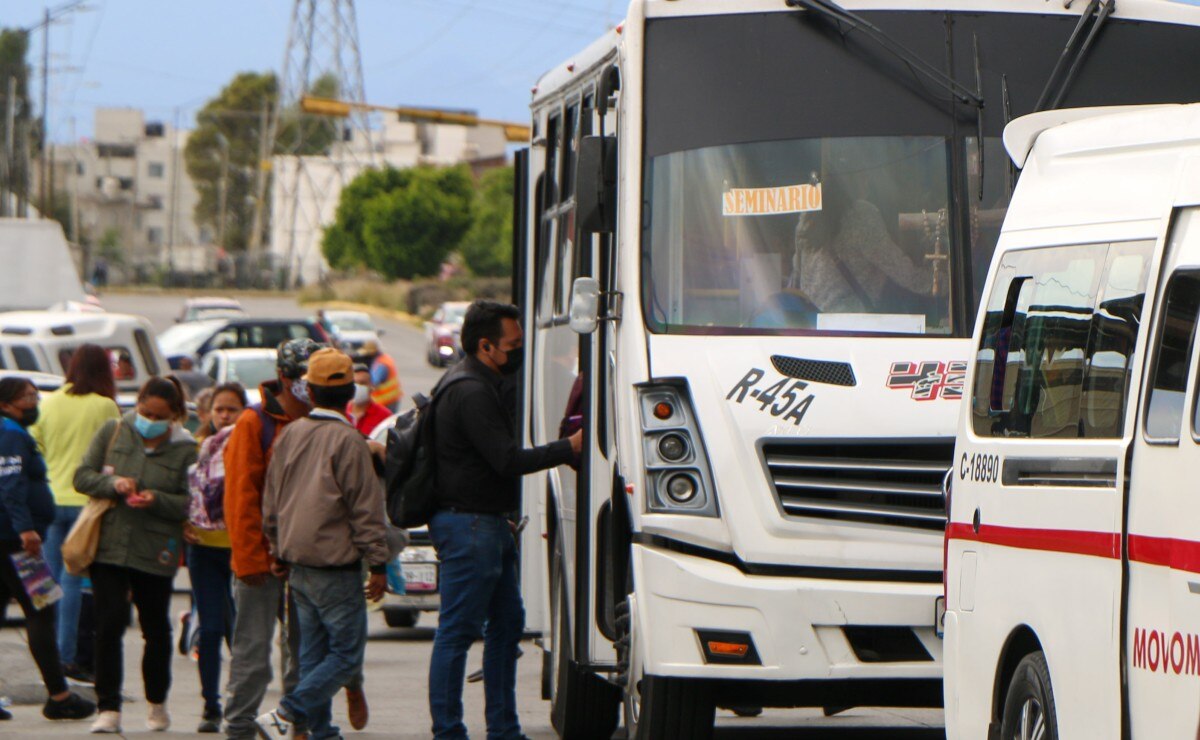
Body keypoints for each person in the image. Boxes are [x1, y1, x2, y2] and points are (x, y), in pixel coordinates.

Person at [427, 300, 583, 740]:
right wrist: (568, 448)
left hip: (488, 525)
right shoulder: (471, 391)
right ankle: (449, 731)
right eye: (512, 344)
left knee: (507, 624)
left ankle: (503, 727)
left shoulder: (477, 381)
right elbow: (506, 459)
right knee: (457, 634)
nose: (518, 352)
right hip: (469, 526)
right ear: (486, 346)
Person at [224, 338, 369, 737]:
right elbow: (243, 498)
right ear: (286, 380)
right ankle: (239, 727)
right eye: (306, 379)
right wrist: (254, 561)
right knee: (253, 654)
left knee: (305, 654)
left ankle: (302, 723)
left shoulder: (330, 423)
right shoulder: (255, 424)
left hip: (306, 561)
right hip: (264, 560)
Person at [256, 348, 389, 740]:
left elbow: (272, 499)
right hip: (336, 568)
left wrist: (276, 547)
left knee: (311, 655)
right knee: (346, 655)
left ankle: (321, 731)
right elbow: (365, 508)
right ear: (350, 393)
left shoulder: (291, 433)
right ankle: (287, 712)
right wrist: (378, 564)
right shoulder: (349, 440)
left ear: (308, 392)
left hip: (298, 566)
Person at [73, 377, 198, 734]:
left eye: (159, 415)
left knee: (155, 628)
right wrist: (114, 484)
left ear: (174, 415)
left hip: (155, 549)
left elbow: (192, 502)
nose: (149, 420)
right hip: (109, 544)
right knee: (108, 625)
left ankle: (157, 704)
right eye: (145, 411)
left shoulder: (186, 449)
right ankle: (108, 707)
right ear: (137, 403)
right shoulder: (113, 430)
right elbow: (82, 476)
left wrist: (157, 499)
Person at [0, 378, 97, 723]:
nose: (35, 401)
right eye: (29, 397)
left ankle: (58, 694)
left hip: (8, 538)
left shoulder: (9, 430)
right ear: (7, 403)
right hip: (16, 541)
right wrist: (26, 529)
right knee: (42, 609)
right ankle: (59, 695)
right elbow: (9, 484)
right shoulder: (10, 433)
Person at [30, 344, 121, 684]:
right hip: (88, 503)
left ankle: (47, 655)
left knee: (46, 581)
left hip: (50, 500)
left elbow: (33, 444)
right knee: (74, 582)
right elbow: (116, 450)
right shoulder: (105, 406)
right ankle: (66, 655)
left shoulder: (49, 402)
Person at [185, 382, 247, 733]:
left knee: (240, 632)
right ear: (207, 413)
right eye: (219, 409)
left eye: (232, 409)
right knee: (209, 629)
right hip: (203, 550)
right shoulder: (195, 448)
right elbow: (183, 493)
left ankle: (239, 700)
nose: (224, 415)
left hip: (242, 551)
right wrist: (182, 522)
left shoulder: (248, 447)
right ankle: (211, 705)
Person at [346, 363, 391, 437]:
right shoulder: (343, 413)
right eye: (354, 383)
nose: (358, 387)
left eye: (362, 383)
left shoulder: (384, 416)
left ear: (371, 387)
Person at [359, 340, 401, 413]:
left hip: (385, 400)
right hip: (391, 399)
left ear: (371, 353)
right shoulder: (384, 358)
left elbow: (374, 382)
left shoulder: (381, 364)